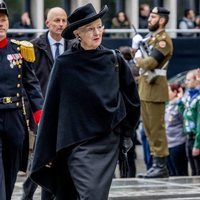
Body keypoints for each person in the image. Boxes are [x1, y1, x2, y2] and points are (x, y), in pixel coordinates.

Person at [30, 3, 140, 199]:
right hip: (77, 144)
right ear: (78, 33)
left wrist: (125, 133)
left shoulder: (114, 60)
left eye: (99, 26)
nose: (97, 32)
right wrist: (45, 150)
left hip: (107, 143)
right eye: (90, 29)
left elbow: (132, 100)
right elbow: (52, 108)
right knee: (90, 195)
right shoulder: (65, 64)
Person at [21, 6, 72, 200]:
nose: (61, 24)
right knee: (40, 158)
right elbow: (27, 85)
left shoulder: (73, 46)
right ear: (47, 23)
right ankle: (27, 194)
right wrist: (29, 114)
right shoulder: (33, 47)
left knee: (56, 158)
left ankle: (48, 195)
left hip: (66, 112)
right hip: (41, 111)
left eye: (64, 21)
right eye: (57, 21)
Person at [0, 1, 43, 200]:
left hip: (14, 117)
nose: (1, 23)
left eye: (3, 19)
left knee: (10, 172)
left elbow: (32, 86)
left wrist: (41, 118)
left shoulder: (20, 50)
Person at [132, 7, 173, 178]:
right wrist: (137, 48)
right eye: (149, 16)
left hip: (155, 89)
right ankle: (156, 165)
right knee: (148, 129)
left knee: (157, 129)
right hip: (146, 88)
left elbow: (150, 63)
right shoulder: (152, 39)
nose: (149, 19)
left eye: (153, 17)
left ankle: (161, 166)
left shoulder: (163, 40)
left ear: (162, 20)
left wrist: (137, 58)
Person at [177, 69, 200, 175]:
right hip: (189, 138)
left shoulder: (198, 98)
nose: (186, 82)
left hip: (196, 138)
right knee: (194, 171)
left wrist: (197, 144)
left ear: (197, 80)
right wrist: (180, 103)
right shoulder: (190, 96)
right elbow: (185, 116)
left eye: (188, 80)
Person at [165, 83, 188, 176]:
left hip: (178, 143)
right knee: (171, 173)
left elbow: (185, 121)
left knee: (180, 172)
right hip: (168, 144)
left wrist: (181, 101)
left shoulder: (180, 105)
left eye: (168, 91)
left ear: (175, 92)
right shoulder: (168, 106)